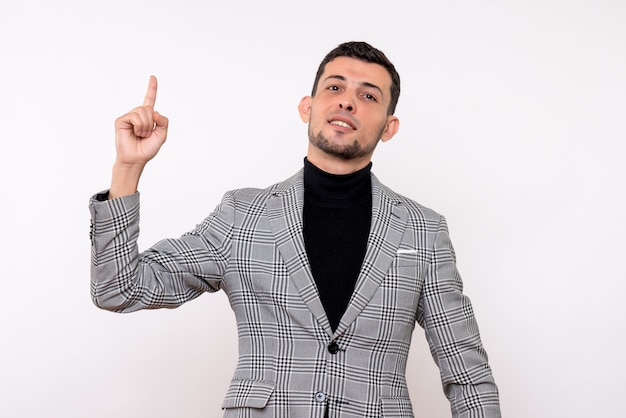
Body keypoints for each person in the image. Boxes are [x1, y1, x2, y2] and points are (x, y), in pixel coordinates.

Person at [89, 41, 501, 417]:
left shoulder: (423, 232)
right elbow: (119, 289)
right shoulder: (242, 214)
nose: (348, 103)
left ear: (389, 127)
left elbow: (467, 374)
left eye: (368, 95)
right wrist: (128, 168)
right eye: (335, 88)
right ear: (307, 107)